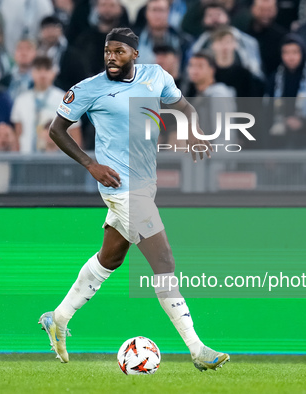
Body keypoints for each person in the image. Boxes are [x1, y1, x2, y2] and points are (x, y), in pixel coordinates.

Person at [38, 27, 230, 371]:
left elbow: (184, 107)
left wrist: (195, 132)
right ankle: (198, 349)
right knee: (165, 263)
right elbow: (56, 130)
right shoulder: (89, 89)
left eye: (119, 52)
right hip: (120, 187)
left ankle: (59, 317)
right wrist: (91, 164)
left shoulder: (156, 77)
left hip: (145, 184)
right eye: (108, 51)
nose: (112, 57)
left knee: (109, 258)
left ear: (134, 55)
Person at [11, 56, 81, 153]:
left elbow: (75, 136)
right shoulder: (21, 100)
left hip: (56, 158)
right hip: (27, 158)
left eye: (47, 69)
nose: (43, 74)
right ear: (31, 73)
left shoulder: (66, 100)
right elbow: (17, 135)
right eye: (38, 70)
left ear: (53, 73)